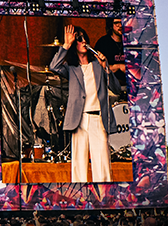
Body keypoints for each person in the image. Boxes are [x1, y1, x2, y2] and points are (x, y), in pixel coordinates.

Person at [51, 23, 127, 185]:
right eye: (79, 39)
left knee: (103, 164)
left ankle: (105, 199)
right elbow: (53, 67)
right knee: (79, 165)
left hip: (98, 118)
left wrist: (106, 67)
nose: (83, 41)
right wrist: (66, 45)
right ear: (74, 44)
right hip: (78, 120)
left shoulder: (98, 65)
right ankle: (81, 201)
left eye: (85, 38)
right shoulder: (71, 68)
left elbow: (116, 88)